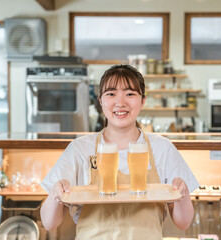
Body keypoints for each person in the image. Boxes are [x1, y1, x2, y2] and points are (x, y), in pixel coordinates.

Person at [40, 64, 199, 239]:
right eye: (111, 94)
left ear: (143, 100)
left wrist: (182, 195)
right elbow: (49, 223)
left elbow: (183, 223)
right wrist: (56, 193)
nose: (120, 103)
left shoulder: (163, 148)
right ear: (101, 101)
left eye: (130, 94)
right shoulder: (79, 148)